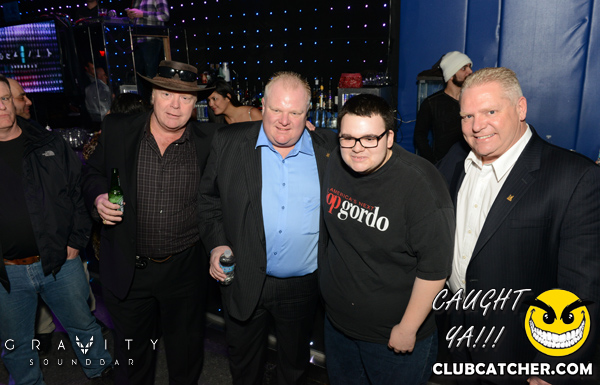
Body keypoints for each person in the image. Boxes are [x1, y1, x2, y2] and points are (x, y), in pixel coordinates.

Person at [436, 67, 600, 384]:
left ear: (520, 108)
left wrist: (554, 366)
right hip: (457, 339)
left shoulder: (574, 178)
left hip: (522, 353)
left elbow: (583, 288)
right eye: (467, 116)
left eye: (490, 112)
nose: (477, 126)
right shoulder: (455, 159)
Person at [83, 60, 218, 385]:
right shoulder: (118, 129)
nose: (175, 105)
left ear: (195, 103)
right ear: (152, 95)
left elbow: (255, 137)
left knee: (186, 357)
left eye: (185, 97)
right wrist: (99, 198)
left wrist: (305, 134)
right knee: (133, 360)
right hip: (129, 269)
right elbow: (91, 173)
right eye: (167, 94)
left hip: (184, 271)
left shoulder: (210, 140)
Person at [199, 71, 337, 384]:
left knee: (294, 367)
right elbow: (208, 201)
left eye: (295, 113)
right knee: (244, 367)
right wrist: (217, 243)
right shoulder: (228, 142)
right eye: (276, 109)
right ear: (263, 106)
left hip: (302, 286)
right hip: (244, 278)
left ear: (308, 113)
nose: (284, 121)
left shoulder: (328, 148)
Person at [319, 94, 454, 384]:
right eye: (348, 138)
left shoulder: (420, 184)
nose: (357, 148)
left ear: (389, 138)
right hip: (337, 326)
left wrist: (408, 328)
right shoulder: (335, 162)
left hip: (392, 338)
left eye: (370, 138)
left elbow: (435, 269)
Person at [0, 74, 113, 384]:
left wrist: (76, 240)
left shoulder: (47, 143)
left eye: (5, 99)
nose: (3, 107)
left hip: (60, 263)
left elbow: (78, 192)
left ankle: (101, 373)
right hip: (6, 275)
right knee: (16, 344)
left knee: (84, 326)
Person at [414, 51, 473, 163]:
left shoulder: (474, 100)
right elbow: (419, 136)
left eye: (470, 67)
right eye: (463, 68)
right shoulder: (431, 103)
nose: (470, 71)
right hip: (443, 165)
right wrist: (432, 163)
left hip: (471, 164)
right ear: (451, 75)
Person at [126, 0, 169, 97]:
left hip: (152, 40)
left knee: (151, 75)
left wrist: (143, 14)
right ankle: (144, 102)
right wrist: (132, 17)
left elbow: (165, 16)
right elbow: (139, 20)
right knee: (139, 76)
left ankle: (154, 101)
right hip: (138, 41)